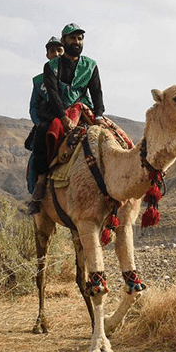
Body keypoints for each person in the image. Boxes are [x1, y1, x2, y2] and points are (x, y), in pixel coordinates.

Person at [28, 23, 107, 214]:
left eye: (80, 38)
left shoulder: (91, 65)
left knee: (109, 136)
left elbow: (96, 92)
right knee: (43, 133)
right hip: (58, 112)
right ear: (65, 40)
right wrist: (63, 118)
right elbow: (53, 96)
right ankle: (40, 182)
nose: (77, 42)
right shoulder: (50, 68)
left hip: (83, 109)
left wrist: (98, 115)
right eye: (72, 38)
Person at [26, 37, 65, 195]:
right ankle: (37, 189)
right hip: (47, 123)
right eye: (52, 51)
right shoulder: (39, 81)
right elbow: (33, 107)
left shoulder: (75, 77)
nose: (56, 54)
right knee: (36, 155)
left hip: (72, 120)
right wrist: (38, 123)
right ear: (47, 55)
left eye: (59, 50)